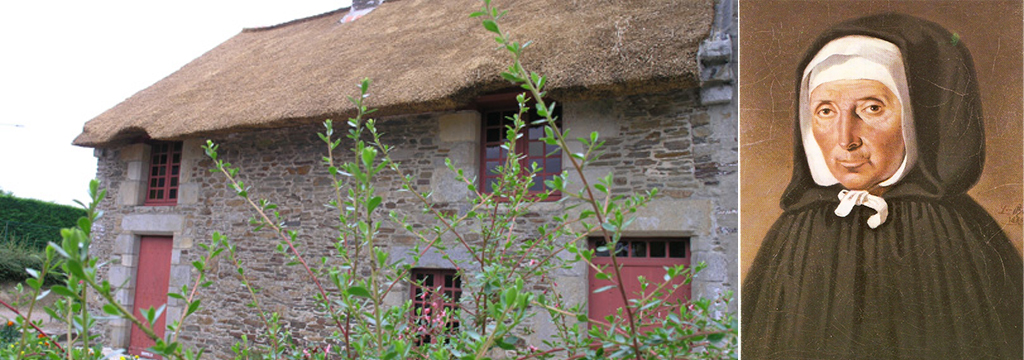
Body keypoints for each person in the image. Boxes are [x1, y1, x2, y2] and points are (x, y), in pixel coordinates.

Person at [742, 13, 1023, 359]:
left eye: (871, 108)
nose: (845, 140)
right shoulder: (793, 234)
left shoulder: (958, 234)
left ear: (916, 116)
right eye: (826, 111)